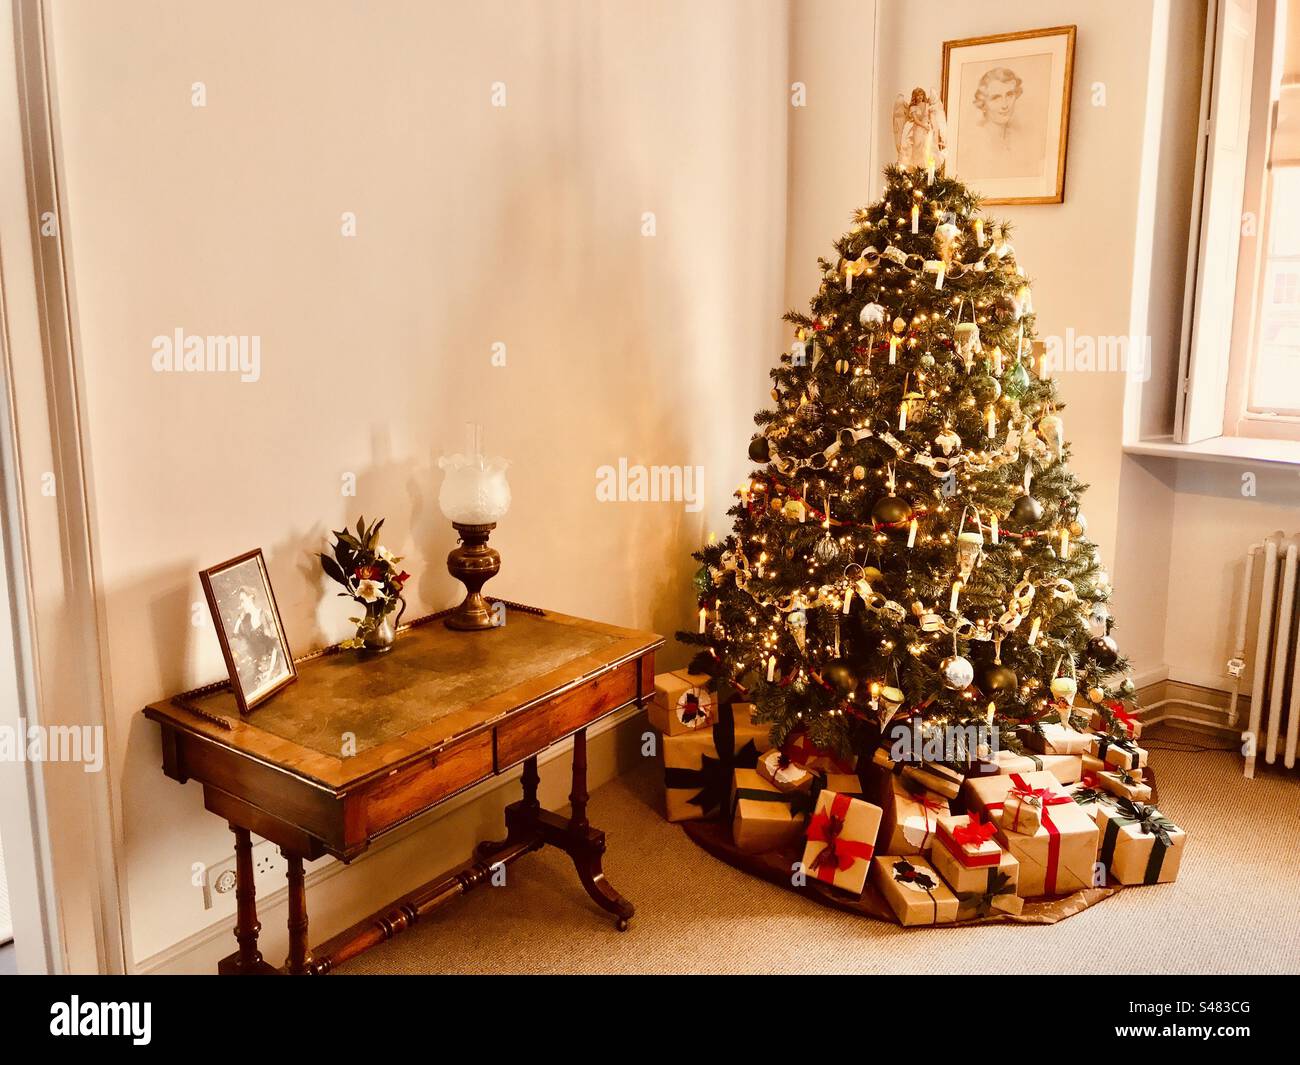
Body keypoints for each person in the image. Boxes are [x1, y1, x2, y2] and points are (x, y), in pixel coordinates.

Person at [960, 67, 1041, 179]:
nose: (1004, 105)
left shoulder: (1020, 140)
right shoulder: (975, 143)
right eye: (996, 98)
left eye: (1009, 95)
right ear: (983, 104)